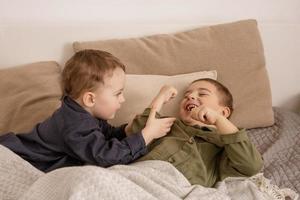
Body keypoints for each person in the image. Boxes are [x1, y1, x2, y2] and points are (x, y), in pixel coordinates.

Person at [0, 49, 176, 172]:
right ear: (90, 99)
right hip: (16, 159)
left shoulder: (83, 113)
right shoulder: (74, 124)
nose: (122, 99)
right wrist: (146, 136)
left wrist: (125, 130)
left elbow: (103, 135)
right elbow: (105, 156)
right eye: (118, 94)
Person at [129, 78, 263, 187]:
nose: (191, 96)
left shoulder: (224, 148)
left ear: (223, 112)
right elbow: (136, 132)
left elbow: (251, 166)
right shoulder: (168, 124)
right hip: (137, 178)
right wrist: (159, 99)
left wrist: (218, 120)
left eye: (202, 94)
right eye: (186, 95)